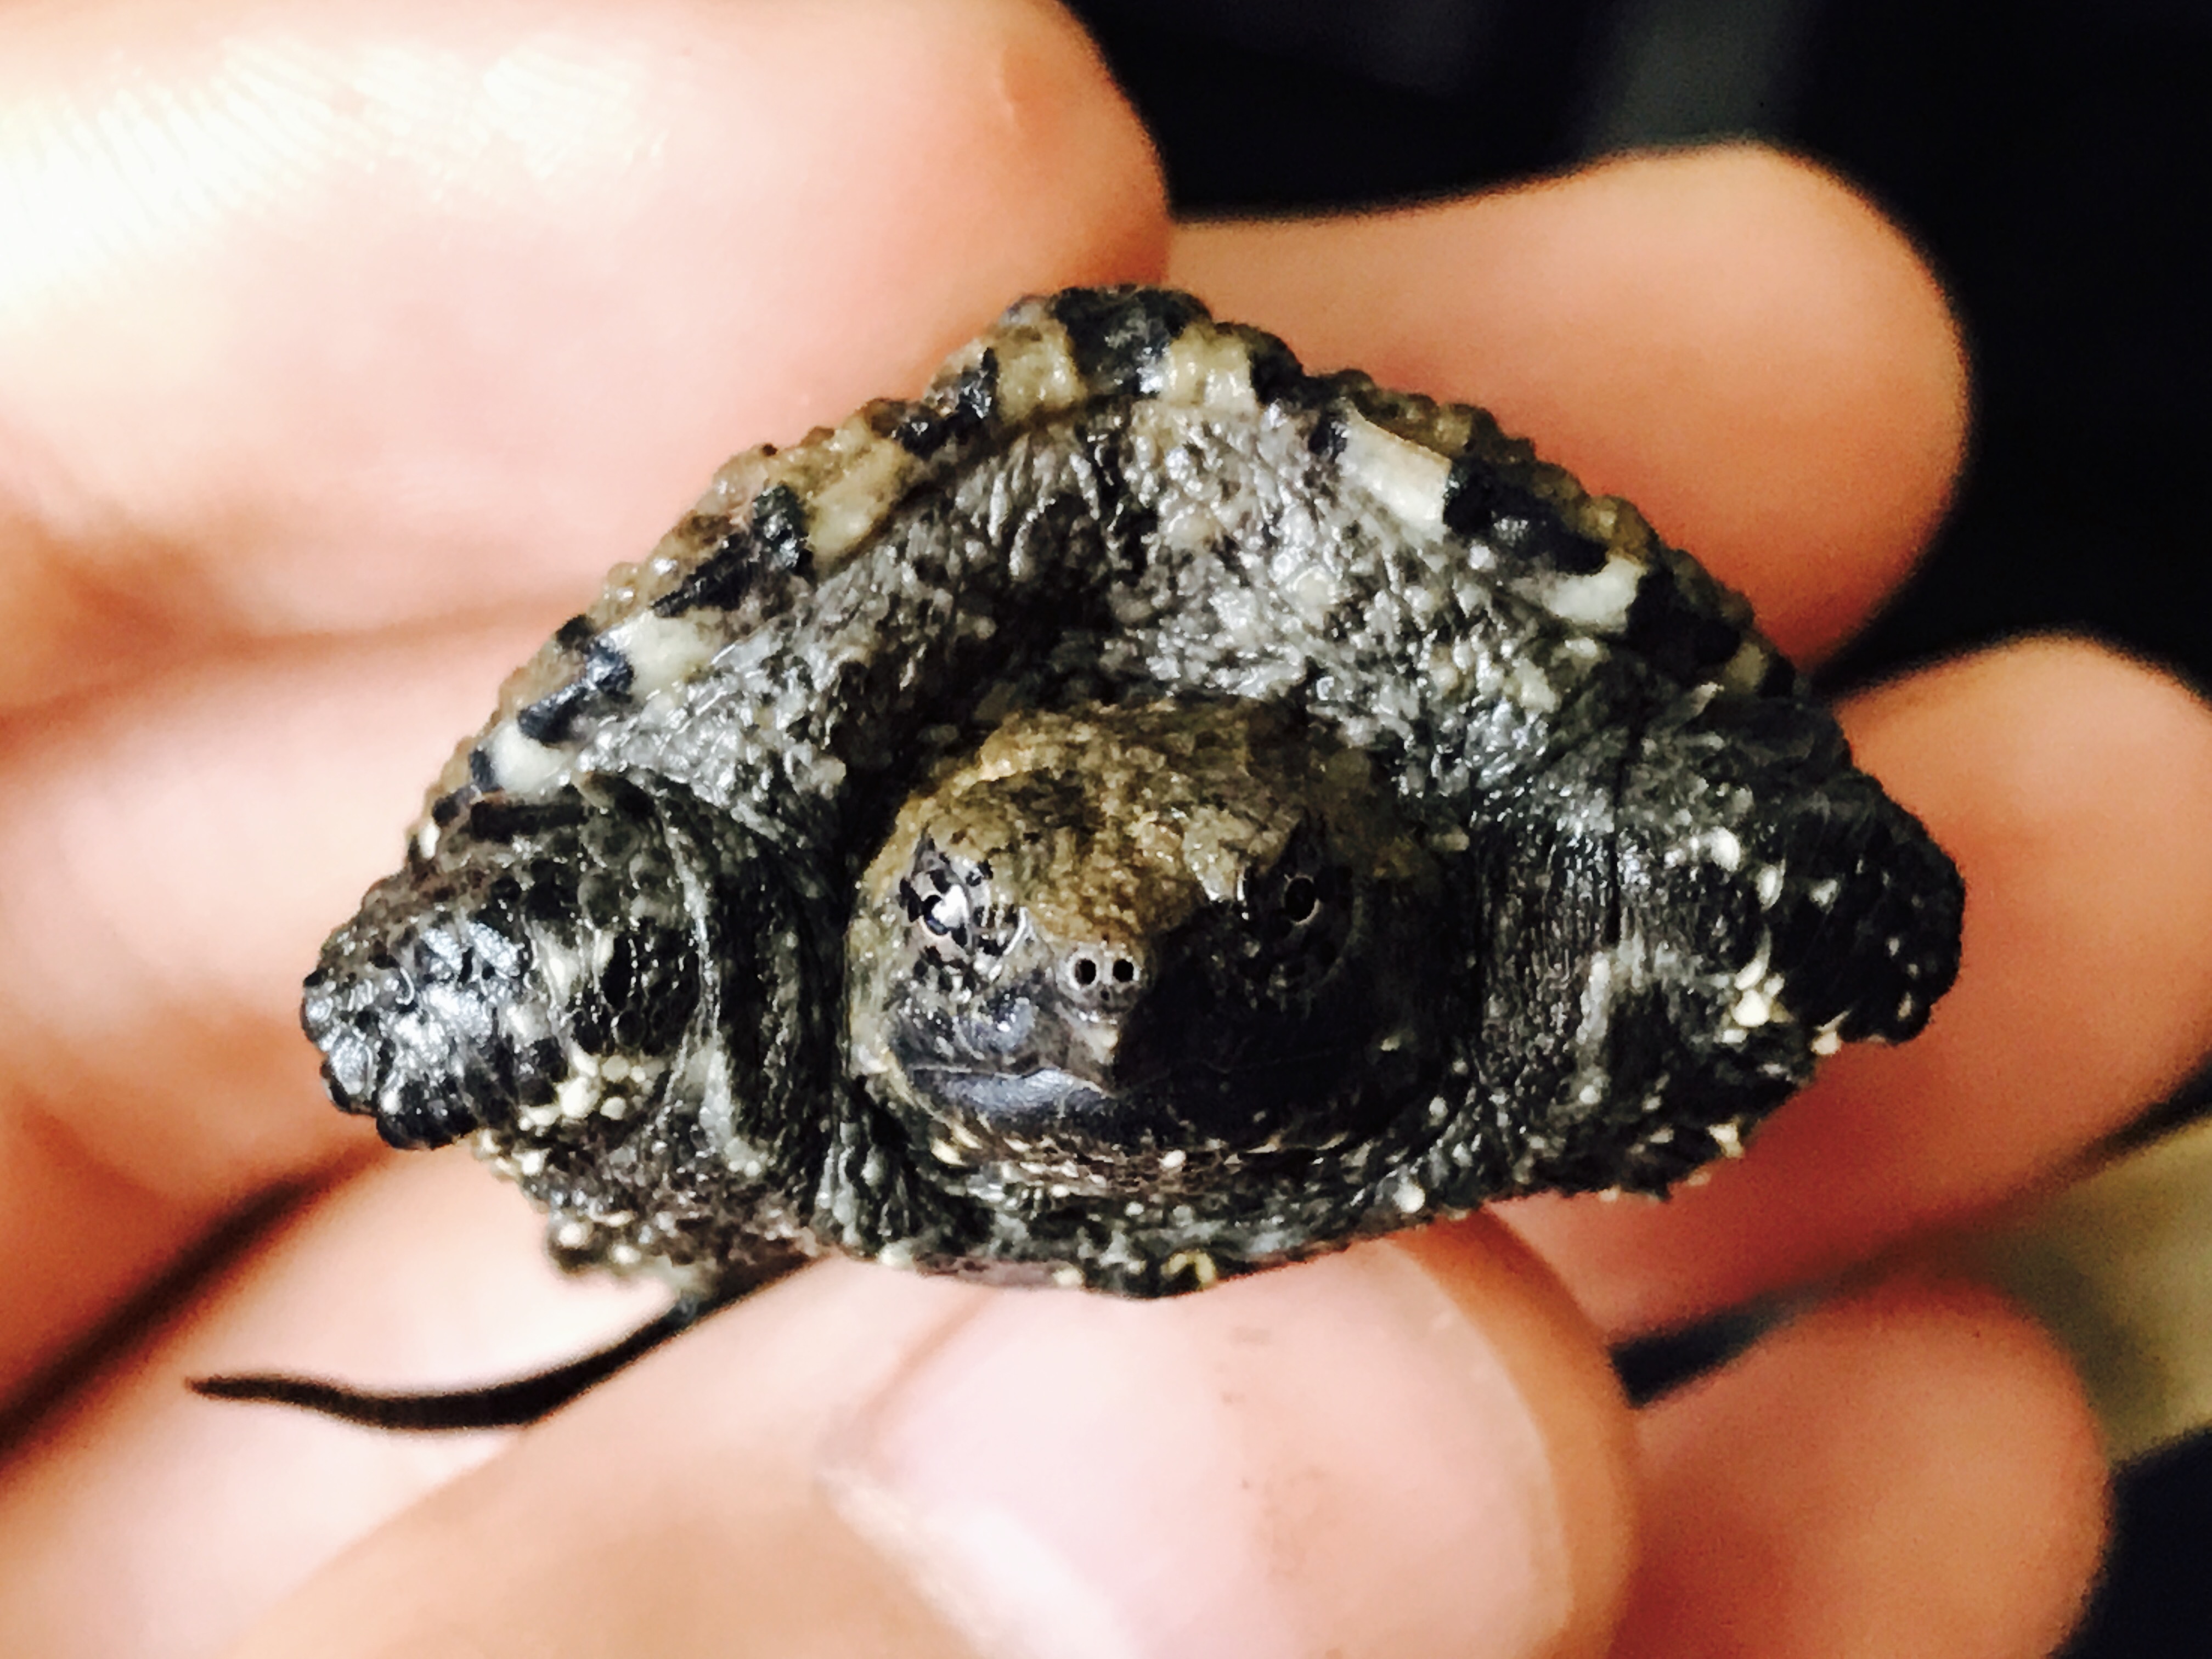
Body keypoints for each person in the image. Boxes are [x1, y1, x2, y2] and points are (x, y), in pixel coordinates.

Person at [1, 2, 2198, 1654]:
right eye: (979, 928)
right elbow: (435, 978)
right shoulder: (720, 907)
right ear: (882, 899)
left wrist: (1807, 896)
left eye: (1263, 928)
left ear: (1391, 874)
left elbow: (1817, 868)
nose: (1110, 982)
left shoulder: (1544, 830)